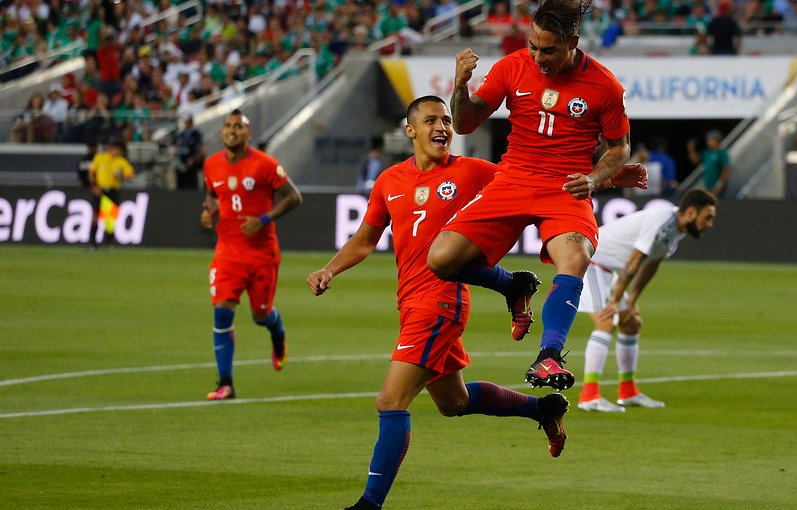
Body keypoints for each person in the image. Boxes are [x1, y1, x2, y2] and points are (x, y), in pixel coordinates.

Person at [307, 97, 569, 510]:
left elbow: (528, 186)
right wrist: (330, 270)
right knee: (454, 403)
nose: (442, 126)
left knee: (390, 401)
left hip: (441, 301)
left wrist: (603, 177)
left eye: (446, 120)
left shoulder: (472, 172)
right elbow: (364, 240)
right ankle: (544, 410)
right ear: (410, 131)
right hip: (410, 303)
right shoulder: (390, 181)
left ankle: (368, 505)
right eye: (431, 120)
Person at [426, 0, 648, 392]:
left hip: (566, 187)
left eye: (548, 50)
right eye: (533, 46)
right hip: (512, 180)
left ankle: (549, 355)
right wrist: (460, 84)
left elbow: (619, 148)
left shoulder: (604, 85)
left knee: (576, 257)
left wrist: (596, 179)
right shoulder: (512, 66)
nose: (538, 57)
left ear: (573, 43)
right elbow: (464, 121)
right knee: (440, 260)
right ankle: (513, 286)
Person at [577, 189, 718, 412]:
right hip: (591, 263)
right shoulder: (662, 221)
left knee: (632, 324)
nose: (710, 224)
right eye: (707, 217)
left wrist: (631, 299)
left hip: (608, 270)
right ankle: (589, 395)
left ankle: (627, 392)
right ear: (691, 212)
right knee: (606, 322)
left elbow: (652, 263)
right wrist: (615, 299)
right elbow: (636, 258)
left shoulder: (677, 231)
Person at [200, 109, 302, 400]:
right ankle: (226, 383)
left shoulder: (265, 165)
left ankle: (277, 332)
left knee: (260, 315)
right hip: (227, 254)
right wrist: (209, 211)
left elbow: (294, 197)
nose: (232, 130)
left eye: (238, 126)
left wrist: (264, 219)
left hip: (261, 254)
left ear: (249, 133)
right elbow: (211, 193)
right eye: (228, 125)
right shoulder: (211, 165)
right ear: (222, 132)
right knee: (221, 312)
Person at [87, 139, 134, 248]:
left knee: (110, 218)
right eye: (116, 149)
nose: (117, 152)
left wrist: (121, 176)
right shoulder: (100, 158)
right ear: (110, 148)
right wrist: (94, 186)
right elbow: (91, 173)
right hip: (100, 190)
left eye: (119, 150)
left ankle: (108, 243)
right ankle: (92, 243)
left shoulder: (121, 161)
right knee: (95, 216)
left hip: (113, 191)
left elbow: (130, 177)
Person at [687, 129, 730, 197]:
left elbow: (726, 168)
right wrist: (691, 149)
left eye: (710, 139)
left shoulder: (722, 153)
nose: (707, 141)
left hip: (717, 186)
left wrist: (720, 184)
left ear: (716, 140)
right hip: (707, 186)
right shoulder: (706, 152)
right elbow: (695, 160)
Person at [174, 115, 205, 190]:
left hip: (192, 164)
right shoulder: (181, 134)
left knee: (192, 184)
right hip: (181, 163)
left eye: (187, 121)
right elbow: (177, 147)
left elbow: (201, 149)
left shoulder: (196, 134)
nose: (186, 123)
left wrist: (193, 159)